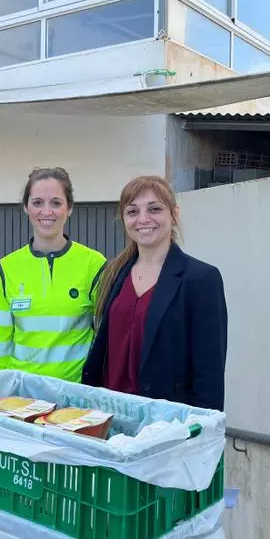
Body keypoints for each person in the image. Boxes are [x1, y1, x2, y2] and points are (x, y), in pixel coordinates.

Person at [82, 175, 226, 411]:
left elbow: (209, 372)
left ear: (174, 214)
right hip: (109, 415)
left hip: (166, 424)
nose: (143, 219)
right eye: (132, 211)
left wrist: (200, 431)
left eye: (154, 209)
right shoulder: (114, 273)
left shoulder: (201, 279)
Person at [0, 167, 105, 381]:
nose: (46, 211)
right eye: (38, 202)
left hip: (76, 398)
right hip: (21, 398)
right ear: (25, 207)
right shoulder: (7, 268)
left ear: (69, 208)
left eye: (56, 203)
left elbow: (105, 340)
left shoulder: (94, 264)